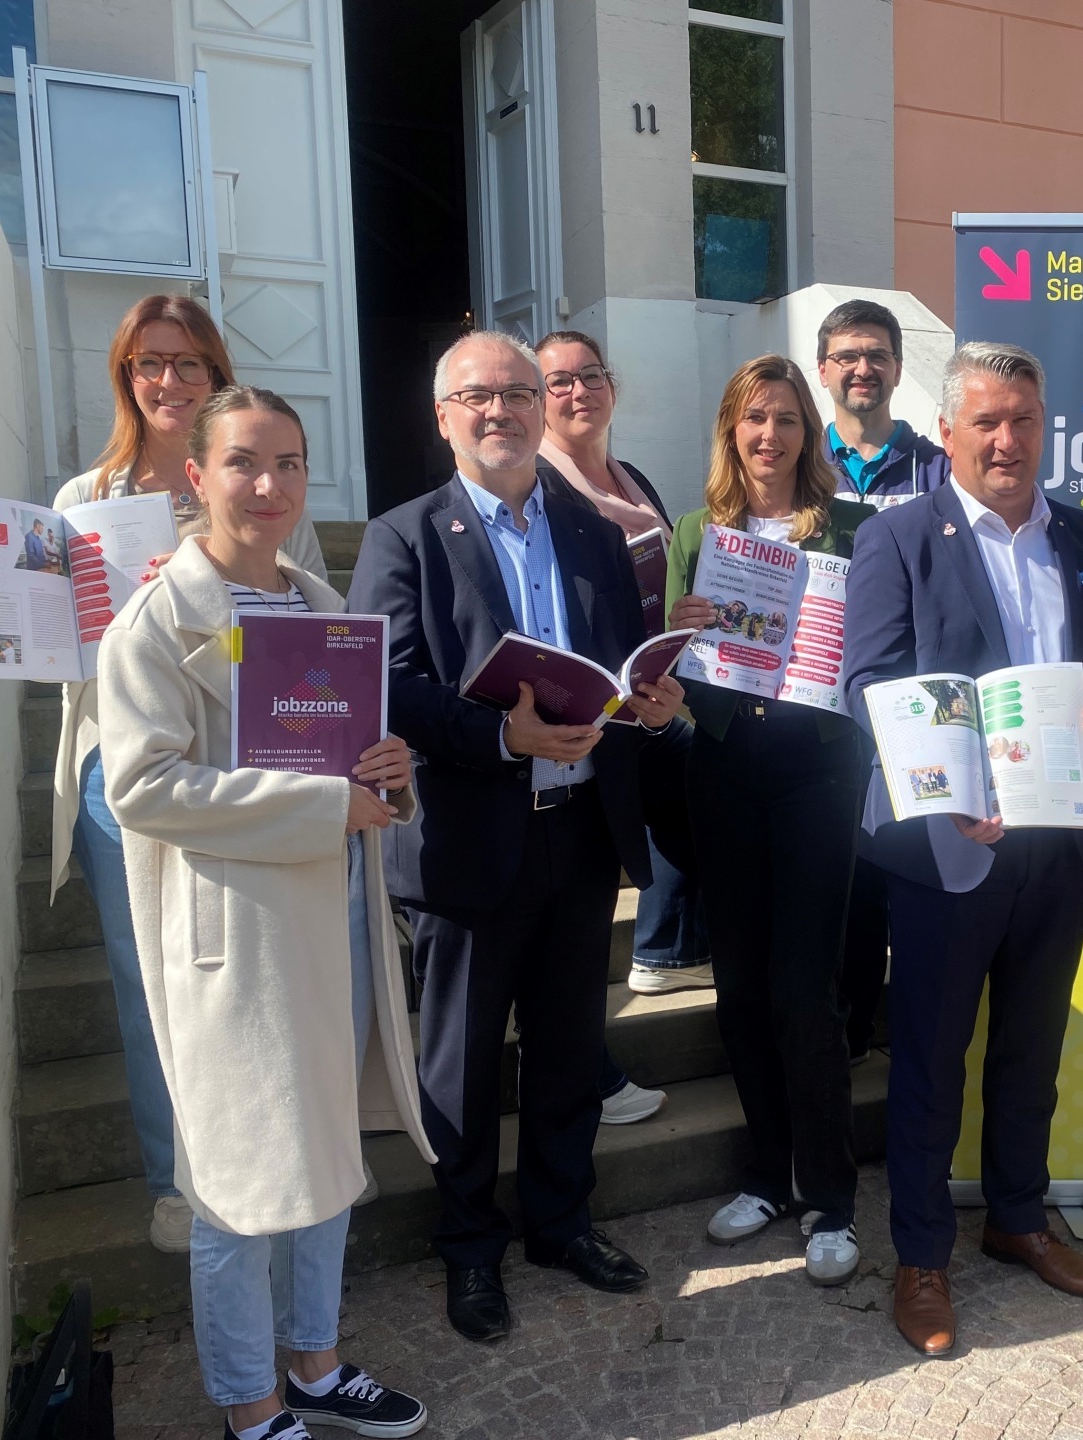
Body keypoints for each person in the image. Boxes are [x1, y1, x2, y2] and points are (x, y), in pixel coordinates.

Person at [0, 294, 328, 1254]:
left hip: (242, 766)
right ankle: (176, 1179)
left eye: (190, 363)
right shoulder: (83, 499)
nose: (169, 380)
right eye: (150, 362)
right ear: (124, 374)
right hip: (125, 771)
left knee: (254, 983)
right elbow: (48, 641)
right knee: (148, 985)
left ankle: (266, 1157)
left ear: (216, 376)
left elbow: (312, 630)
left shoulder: (257, 485)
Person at [97, 387, 430, 1440]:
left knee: (327, 1151)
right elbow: (143, 789)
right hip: (233, 936)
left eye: (289, 463)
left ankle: (318, 1363)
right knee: (236, 1182)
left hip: (329, 918)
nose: (271, 485)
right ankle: (251, 1405)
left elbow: (355, 762)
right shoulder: (156, 622)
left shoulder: (315, 603)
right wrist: (325, 802)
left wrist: (391, 773)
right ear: (195, 476)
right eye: (245, 462)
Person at [346, 331, 682, 1343]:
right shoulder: (402, 536)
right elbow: (389, 686)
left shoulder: (588, 529)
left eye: (518, 394)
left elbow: (616, 655)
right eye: (476, 396)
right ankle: (469, 1250)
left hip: (578, 831)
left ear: (545, 408)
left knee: (571, 1045)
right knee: (461, 1064)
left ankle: (559, 1223)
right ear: (444, 416)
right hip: (465, 840)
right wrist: (500, 733)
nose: (500, 411)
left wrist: (649, 697)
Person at [844, 342, 1083, 1356]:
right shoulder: (898, 537)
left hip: (1057, 840)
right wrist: (945, 795)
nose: (1008, 439)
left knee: (1030, 1049)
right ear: (948, 432)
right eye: (987, 422)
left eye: (1023, 418)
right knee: (931, 1058)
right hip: (951, 848)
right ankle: (923, 1257)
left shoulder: (1080, 531)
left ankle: (1018, 1219)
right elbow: (870, 683)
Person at [667, 355, 876, 1286]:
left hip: (817, 777)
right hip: (723, 772)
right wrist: (676, 632)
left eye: (787, 419)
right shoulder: (693, 530)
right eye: (754, 418)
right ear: (729, 428)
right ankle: (765, 1176)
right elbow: (663, 675)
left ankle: (829, 1197)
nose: (770, 436)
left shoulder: (854, 529)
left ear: (809, 432)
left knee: (806, 992)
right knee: (741, 989)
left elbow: (878, 645)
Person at [535, 329, 713, 1037]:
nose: (580, 391)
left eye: (593, 375)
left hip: (656, 689)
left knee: (700, 792)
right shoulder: (541, 485)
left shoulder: (632, 474)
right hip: (595, 706)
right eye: (559, 381)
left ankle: (671, 946)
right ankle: (668, 946)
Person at [815, 299, 953, 1060]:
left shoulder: (939, 468)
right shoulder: (803, 465)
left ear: (898, 368)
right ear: (824, 368)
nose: (862, 368)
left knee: (918, 875)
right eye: (847, 355)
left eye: (877, 354)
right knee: (848, 886)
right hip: (823, 710)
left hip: (919, 714)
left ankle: (919, 1038)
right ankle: (851, 1032)